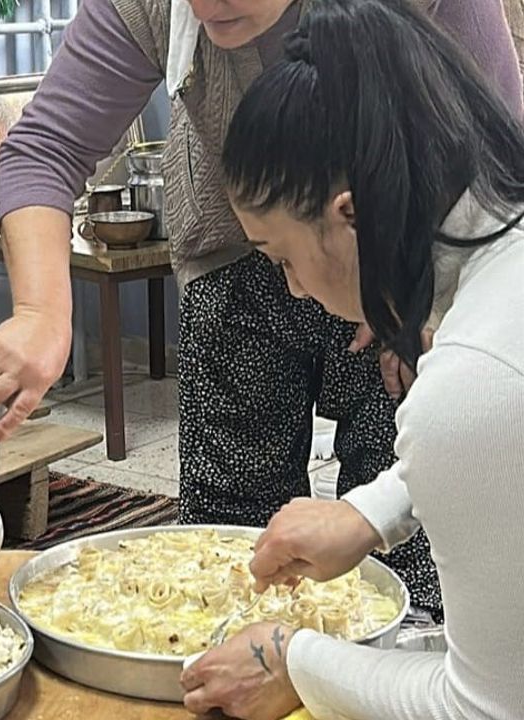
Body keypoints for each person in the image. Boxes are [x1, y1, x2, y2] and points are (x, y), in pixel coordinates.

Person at [0, 0, 524, 619]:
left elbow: (493, 153)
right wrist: (41, 310)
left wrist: (415, 292)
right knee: (228, 552)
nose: (203, 6)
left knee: (418, 555)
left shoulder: (485, 359)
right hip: (232, 259)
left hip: (393, 255)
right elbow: (45, 146)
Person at [180, 1, 524, 717]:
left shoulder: (471, 377)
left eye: (281, 258)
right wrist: (370, 513)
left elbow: (482, 707)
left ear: (350, 214)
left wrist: (293, 662)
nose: (292, 289)